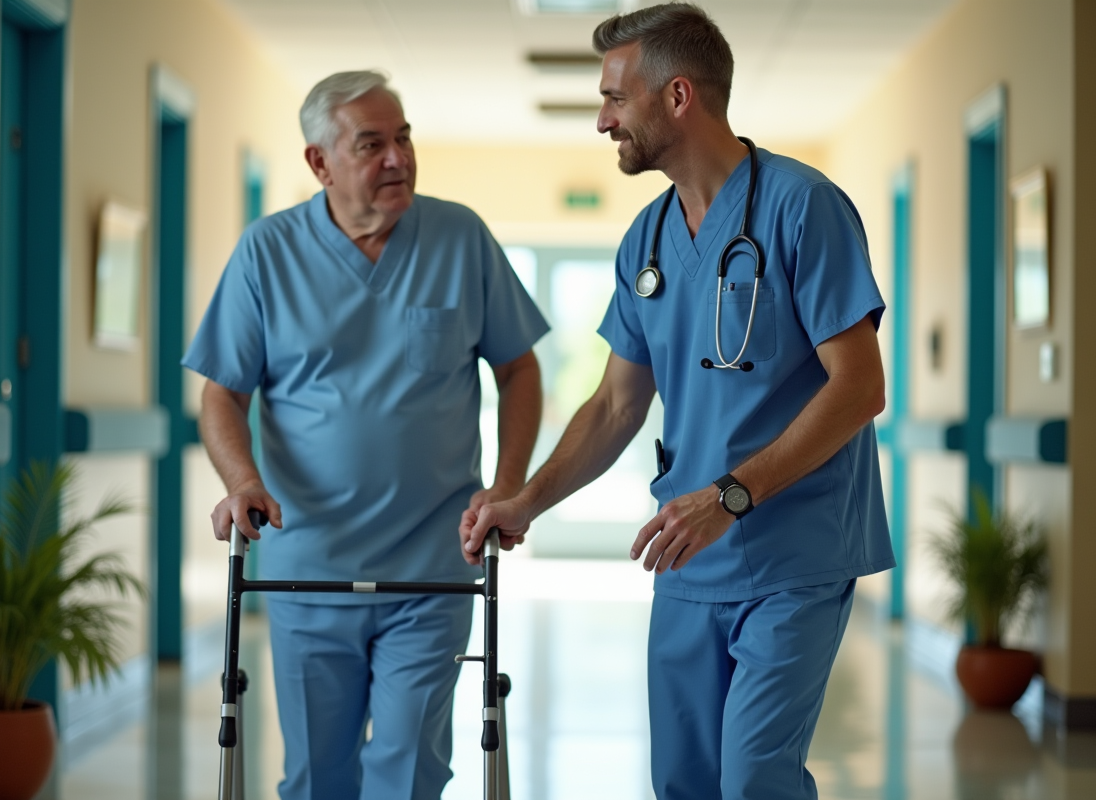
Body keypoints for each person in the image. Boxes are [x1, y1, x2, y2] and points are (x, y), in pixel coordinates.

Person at [461, 5, 894, 799]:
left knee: (754, 776)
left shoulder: (804, 208)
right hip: (690, 560)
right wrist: (527, 500)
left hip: (793, 551)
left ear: (678, 96)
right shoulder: (648, 239)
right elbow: (615, 405)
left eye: (615, 99)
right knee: (685, 782)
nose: (602, 120)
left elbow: (861, 387)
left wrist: (731, 496)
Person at [184, 71, 548, 800]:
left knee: (411, 770)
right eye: (372, 144)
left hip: (434, 564)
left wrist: (509, 486)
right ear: (319, 162)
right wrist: (242, 481)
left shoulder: (459, 237)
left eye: (404, 137)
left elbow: (520, 370)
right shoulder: (268, 252)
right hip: (308, 567)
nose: (398, 159)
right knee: (319, 776)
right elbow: (222, 392)